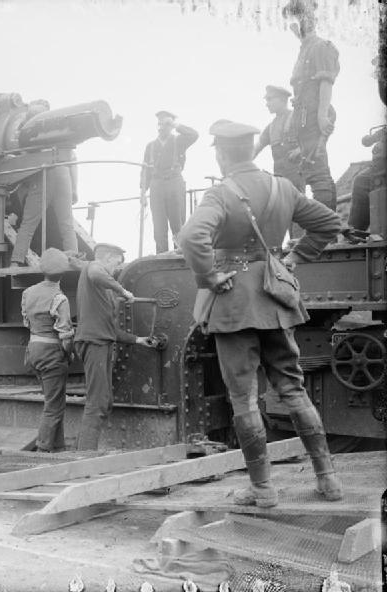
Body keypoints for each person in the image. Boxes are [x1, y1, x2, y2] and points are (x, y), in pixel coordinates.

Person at [178, 119, 343, 508]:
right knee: (293, 389)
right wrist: (295, 257)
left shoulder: (221, 193)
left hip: (234, 304)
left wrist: (210, 276)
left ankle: (263, 490)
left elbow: (190, 236)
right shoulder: (283, 187)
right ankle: (328, 481)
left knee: (244, 398)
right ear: (251, 150)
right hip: (275, 300)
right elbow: (329, 223)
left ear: (221, 154)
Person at [73, 243, 157, 450]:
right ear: (108, 257)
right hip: (94, 343)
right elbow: (96, 272)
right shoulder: (92, 268)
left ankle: (82, 449)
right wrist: (123, 290)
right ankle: (84, 456)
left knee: (104, 400)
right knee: (97, 402)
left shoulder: (102, 293)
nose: (115, 269)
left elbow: (111, 331)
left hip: (101, 342)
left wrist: (138, 340)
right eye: (116, 263)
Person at [283, 0, 340, 211]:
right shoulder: (305, 49)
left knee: (318, 173)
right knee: (313, 170)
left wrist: (322, 115)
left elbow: (326, 82)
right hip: (304, 120)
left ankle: (326, 226)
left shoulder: (320, 47)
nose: (293, 25)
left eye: (297, 19)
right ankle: (329, 224)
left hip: (314, 116)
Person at [10, 100, 78, 267]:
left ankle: (16, 261)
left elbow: (24, 155)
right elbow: (73, 161)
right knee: (67, 223)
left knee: (29, 222)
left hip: (44, 173)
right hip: (63, 173)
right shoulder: (60, 127)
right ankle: (75, 258)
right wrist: (75, 189)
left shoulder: (31, 126)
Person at [21, 248, 74, 452]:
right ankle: (43, 449)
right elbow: (65, 336)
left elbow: (27, 322)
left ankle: (58, 447)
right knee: (53, 405)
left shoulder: (28, 292)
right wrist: (69, 353)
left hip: (33, 351)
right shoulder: (60, 298)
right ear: (63, 273)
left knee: (54, 400)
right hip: (51, 354)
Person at [140, 111, 199, 253]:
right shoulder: (150, 146)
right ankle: (162, 257)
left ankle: (179, 257)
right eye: (159, 124)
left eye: (166, 124)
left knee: (178, 226)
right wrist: (143, 193)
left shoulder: (179, 141)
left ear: (171, 126)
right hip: (156, 186)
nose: (161, 127)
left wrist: (176, 125)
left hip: (174, 184)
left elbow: (194, 135)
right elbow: (145, 171)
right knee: (159, 228)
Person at [253, 85, 303, 192]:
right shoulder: (271, 127)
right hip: (279, 179)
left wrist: (301, 150)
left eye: (270, 99)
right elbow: (255, 149)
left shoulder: (297, 117)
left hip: (296, 177)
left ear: (281, 99)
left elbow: (314, 138)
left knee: (297, 201)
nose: (267, 104)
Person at [346, 125, 385, 238]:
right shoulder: (383, 131)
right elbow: (366, 141)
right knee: (361, 181)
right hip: (378, 167)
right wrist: (371, 138)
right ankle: (356, 231)